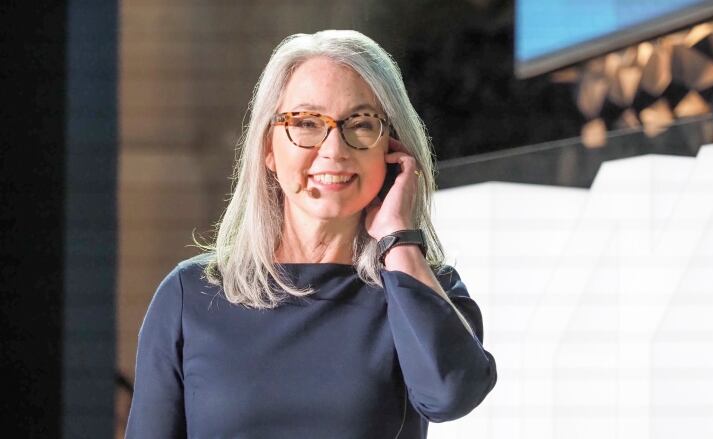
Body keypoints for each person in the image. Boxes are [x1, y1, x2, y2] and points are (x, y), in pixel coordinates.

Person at [125, 29, 497, 439]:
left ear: (392, 147)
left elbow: (452, 396)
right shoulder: (189, 294)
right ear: (268, 148)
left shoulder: (421, 288)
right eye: (305, 123)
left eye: (360, 123)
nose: (334, 150)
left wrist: (399, 239)